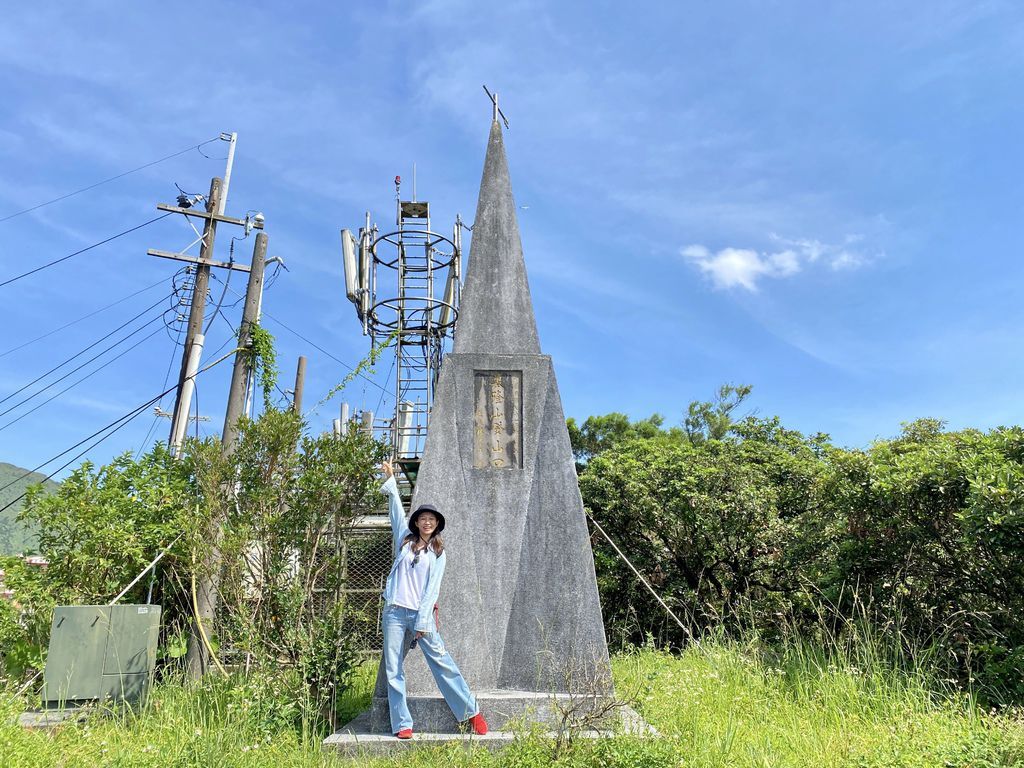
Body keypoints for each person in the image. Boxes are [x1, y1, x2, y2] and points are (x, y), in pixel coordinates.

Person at [379, 460, 488, 739]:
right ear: (416, 522)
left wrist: (423, 619)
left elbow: (433, 590)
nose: (426, 522)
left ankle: (470, 712)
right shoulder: (404, 541)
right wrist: (391, 482)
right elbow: (395, 514)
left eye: (432, 519)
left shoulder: (438, 553)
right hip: (394, 611)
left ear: (437, 524)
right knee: (393, 669)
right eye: (422, 519)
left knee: (441, 661)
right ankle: (402, 723)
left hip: (420, 615)